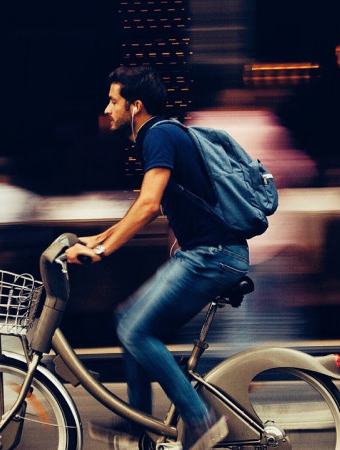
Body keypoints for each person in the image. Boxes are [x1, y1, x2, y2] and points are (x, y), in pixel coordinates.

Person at [65, 65, 249, 450]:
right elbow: (142, 205)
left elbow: (148, 206)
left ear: (135, 106)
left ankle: (201, 421)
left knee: (135, 329)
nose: (107, 108)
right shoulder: (160, 134)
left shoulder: (158, 135)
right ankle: (141, 426)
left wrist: (101, 252)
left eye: (114, 100)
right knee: (125, 319)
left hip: (212, 256)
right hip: (208, 254)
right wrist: (98, 237)